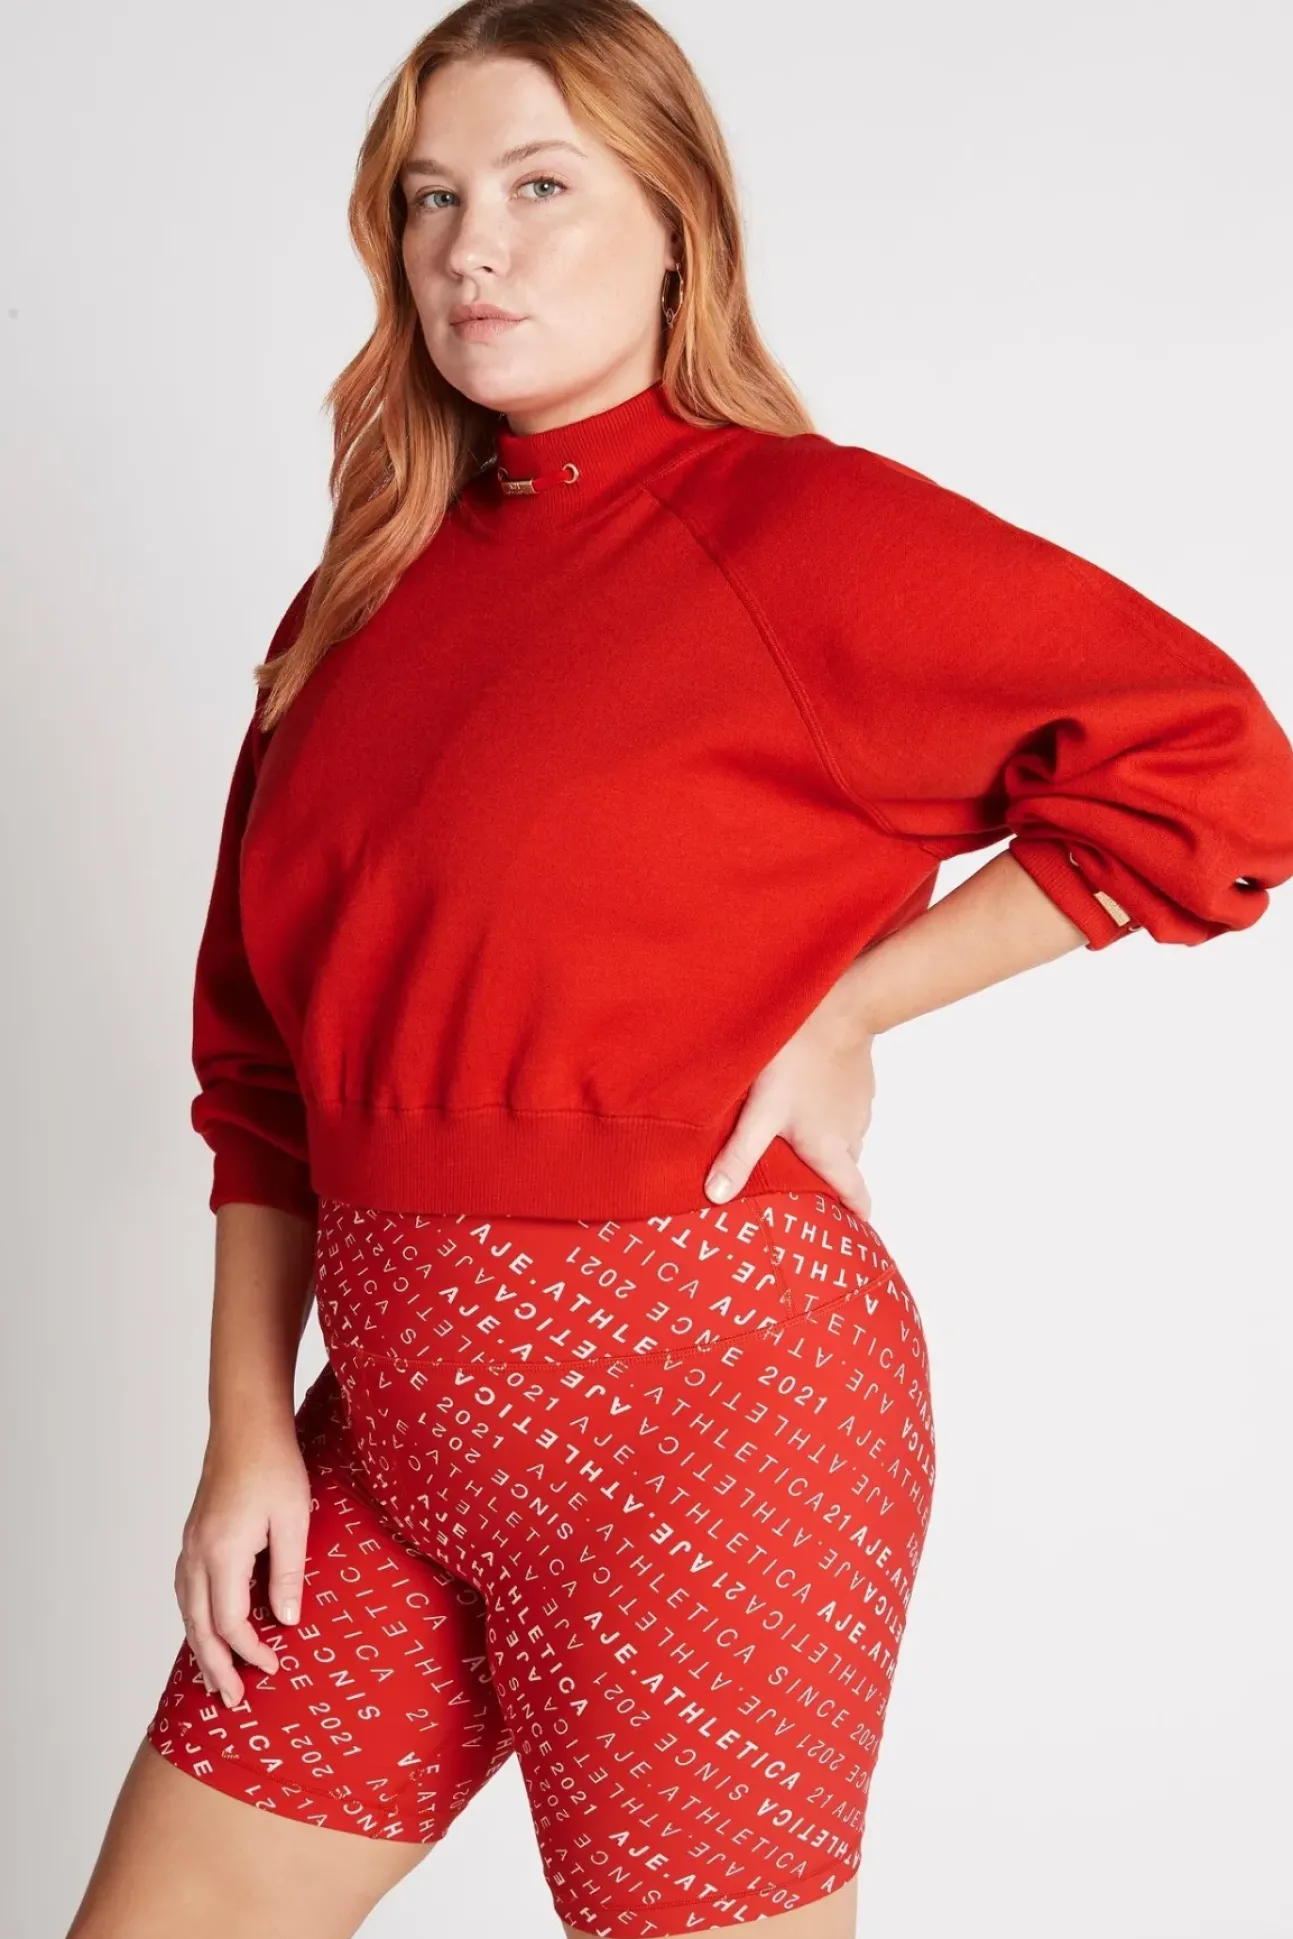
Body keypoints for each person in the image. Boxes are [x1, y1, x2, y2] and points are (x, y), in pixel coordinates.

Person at [68, 3, 1293, 1937]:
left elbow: (1219, 774)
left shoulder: (794, 533)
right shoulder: (358, 595)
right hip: (380, 1439)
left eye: (541, 187)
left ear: (675, 225)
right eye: (431, 199)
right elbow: (259, 1072)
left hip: (709, 1422)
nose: (476, 247)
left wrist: (856, 1001)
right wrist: (244, 1433)